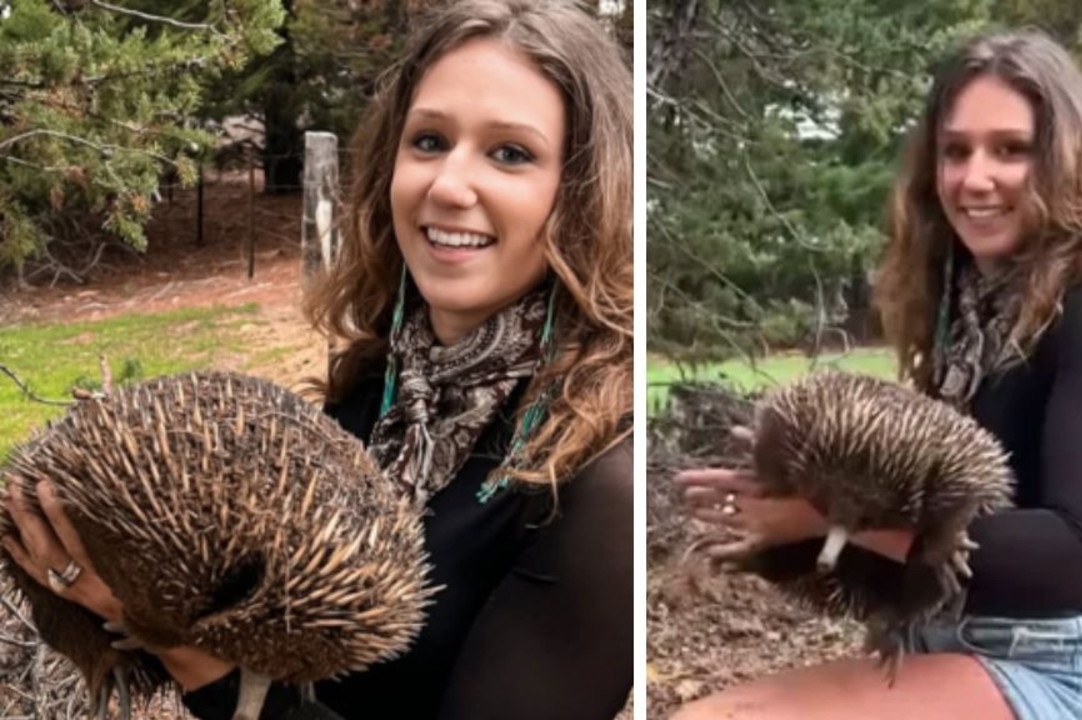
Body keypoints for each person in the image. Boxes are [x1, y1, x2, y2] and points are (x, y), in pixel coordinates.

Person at [1, 1, 634, 718]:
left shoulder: (597, 487)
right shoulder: (374, 390)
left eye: (510, 153)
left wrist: (177, 642)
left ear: (581, 193)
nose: (449, 186)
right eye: (428, 141)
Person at [673, 29, 1082, 720]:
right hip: (933, 640)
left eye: (1010, 150)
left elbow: (1077, 560)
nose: (975, 177)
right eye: (955, 150)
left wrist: (826, 515)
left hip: (1047, 665)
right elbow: (919, 539)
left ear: (1064, 159)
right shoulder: (959, 316)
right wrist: (785, 523)